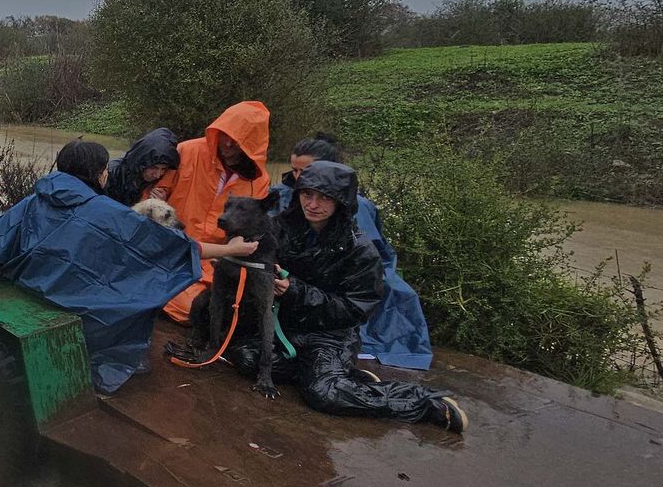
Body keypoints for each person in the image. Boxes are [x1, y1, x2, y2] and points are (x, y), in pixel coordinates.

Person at [0, 140, 259, 394]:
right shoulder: (109, 214)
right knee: (134, 307)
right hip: (78, 306)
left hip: (31, 288)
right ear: (99, 173)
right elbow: (174, 247)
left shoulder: (34, 200)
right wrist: (232, 248)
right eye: (106, 168)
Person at [224, 160, 468, 431]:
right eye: (307, 194)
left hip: (332, 335)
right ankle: (338, 377)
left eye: (324, 197)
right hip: (287, 329)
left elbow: (355, 309)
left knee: (323, 394)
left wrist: (295, 291)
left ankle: (423, 402)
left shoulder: (360, 250)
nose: (313, 204)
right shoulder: (278, 229)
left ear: (341, 201)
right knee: (245, 356)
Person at [276, 133, 433, 370]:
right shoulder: (281, 196)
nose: (299, 179)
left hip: (340, 286)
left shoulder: (356, 222)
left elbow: (373, 256)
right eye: (295, 171)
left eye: (305, 171)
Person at [158, 101, 273, 322]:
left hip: (216, 265)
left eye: (238, 141)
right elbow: (152, 200)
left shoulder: (259, 181)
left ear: (251, 145)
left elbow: (254, 229)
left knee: (232, 308)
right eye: (223, 134)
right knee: (192, 307)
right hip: (171, 255)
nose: (227, 143)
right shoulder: (187, 151)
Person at [105, 127, 179, 206]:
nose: (157, 175)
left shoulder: (160, 182)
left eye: (163, 169)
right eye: (153, 168)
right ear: (141, 163)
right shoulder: (112, 173)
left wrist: (160, 204)